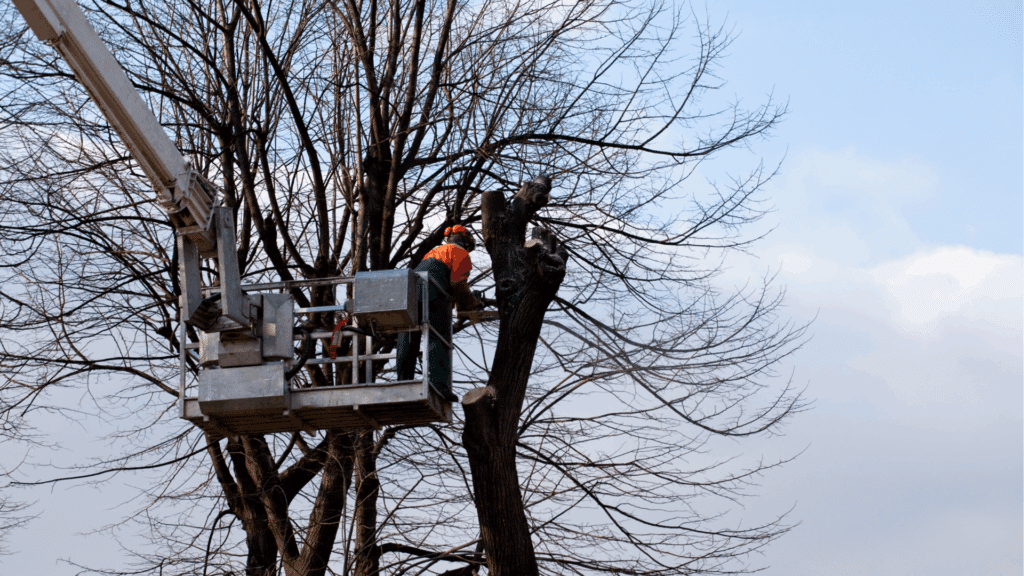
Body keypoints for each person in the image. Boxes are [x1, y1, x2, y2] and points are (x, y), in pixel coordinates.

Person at [396, 225, 483, 401]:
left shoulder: (434, 252)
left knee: (409, 334)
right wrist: (473, 303)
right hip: (434, 293)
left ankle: (403, 382)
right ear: (466, 242)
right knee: (439, 336)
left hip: (412, 293)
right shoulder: (460, 253)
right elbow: (457, 283)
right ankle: (439, 385)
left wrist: (461, 304)